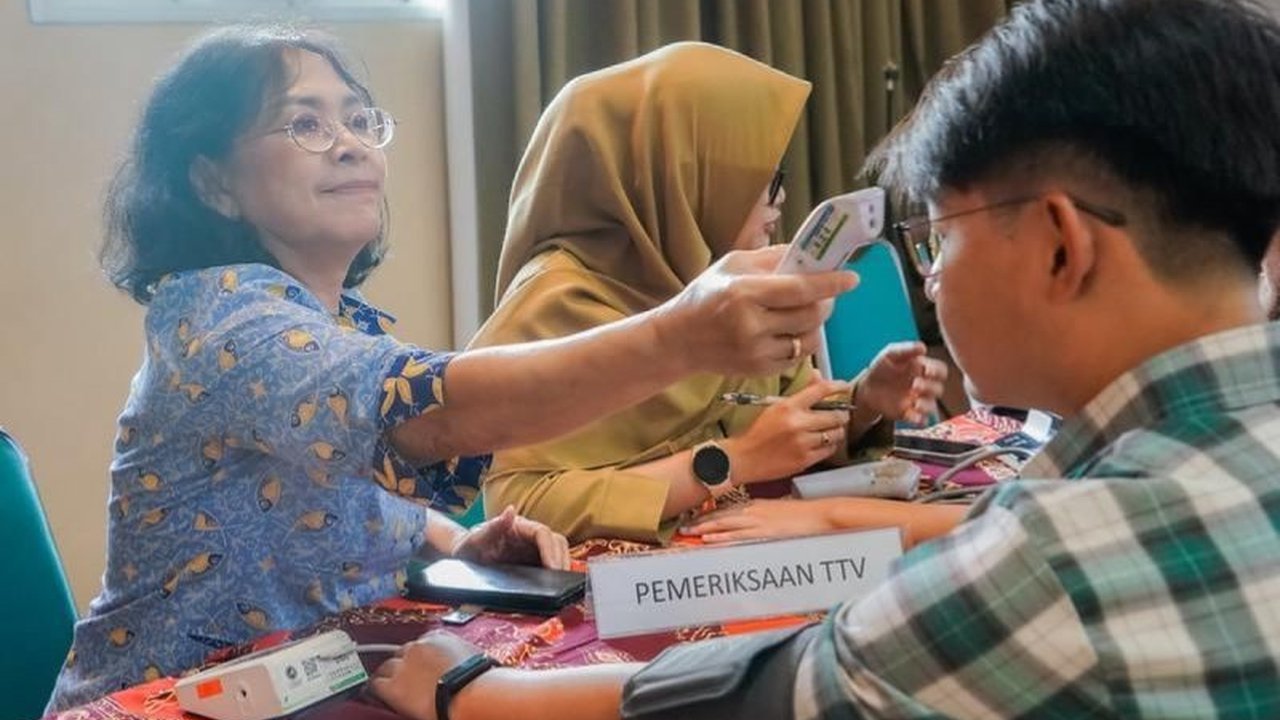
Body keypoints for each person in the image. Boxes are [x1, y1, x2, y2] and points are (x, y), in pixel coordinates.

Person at [370, 0, 1280, 717]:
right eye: (758, 183)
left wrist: (848, 414)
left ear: (1058, 247)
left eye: (939, 238)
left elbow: (794, 684)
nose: (930, 274)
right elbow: (520, 495)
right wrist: (741, 459)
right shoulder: (572, 307)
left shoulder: (1056, 561)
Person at [45, 27, 855, 711]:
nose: (350, 143)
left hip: (311, 681)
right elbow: (433, 415)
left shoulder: (329, 322)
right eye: (304, 125)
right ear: (213, 183)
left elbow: (334, 496)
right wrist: (682, 336)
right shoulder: (221, 320)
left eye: (358, 119)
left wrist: (463, 544)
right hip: (177, 699)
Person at [469, 42, 949, 544]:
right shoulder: (554, 305)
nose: (780, 198)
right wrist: (730, 462)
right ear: (681, 179)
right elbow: (518, 507)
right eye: (763, 180)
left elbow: (787, 422)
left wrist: (864, 401)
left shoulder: (722, 280)